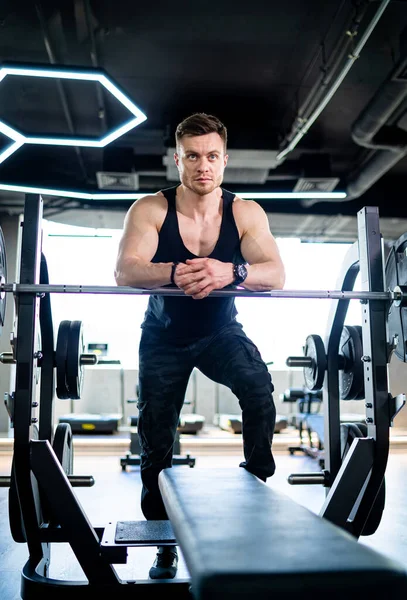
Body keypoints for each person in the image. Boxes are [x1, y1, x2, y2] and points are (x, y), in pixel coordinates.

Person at [114, 113, 286, 579]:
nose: (202, 166)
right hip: (163, 338)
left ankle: (256, 484)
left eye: (212, 156)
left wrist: (233, 272)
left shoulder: (245, 212)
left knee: (257, 387)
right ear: (178, 159)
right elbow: (126, 270)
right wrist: (176, 271)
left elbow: (277, 272)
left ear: (225, 160)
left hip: (220, 333)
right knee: (156, 438)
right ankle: (162, 541)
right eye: (193, 156)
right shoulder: (150, 209)